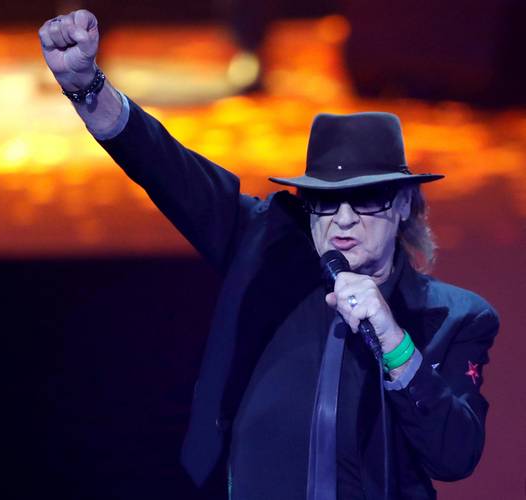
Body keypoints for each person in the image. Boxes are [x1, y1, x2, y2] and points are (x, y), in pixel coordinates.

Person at [39, 10, 499, 499]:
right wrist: (87, 89)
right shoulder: (262, 248)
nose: (343, 219)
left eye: (365, 199)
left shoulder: (456, 317)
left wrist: (393, 340)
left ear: (404, 203)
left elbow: (455, 456)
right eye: (325, 200)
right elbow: (167, 166)